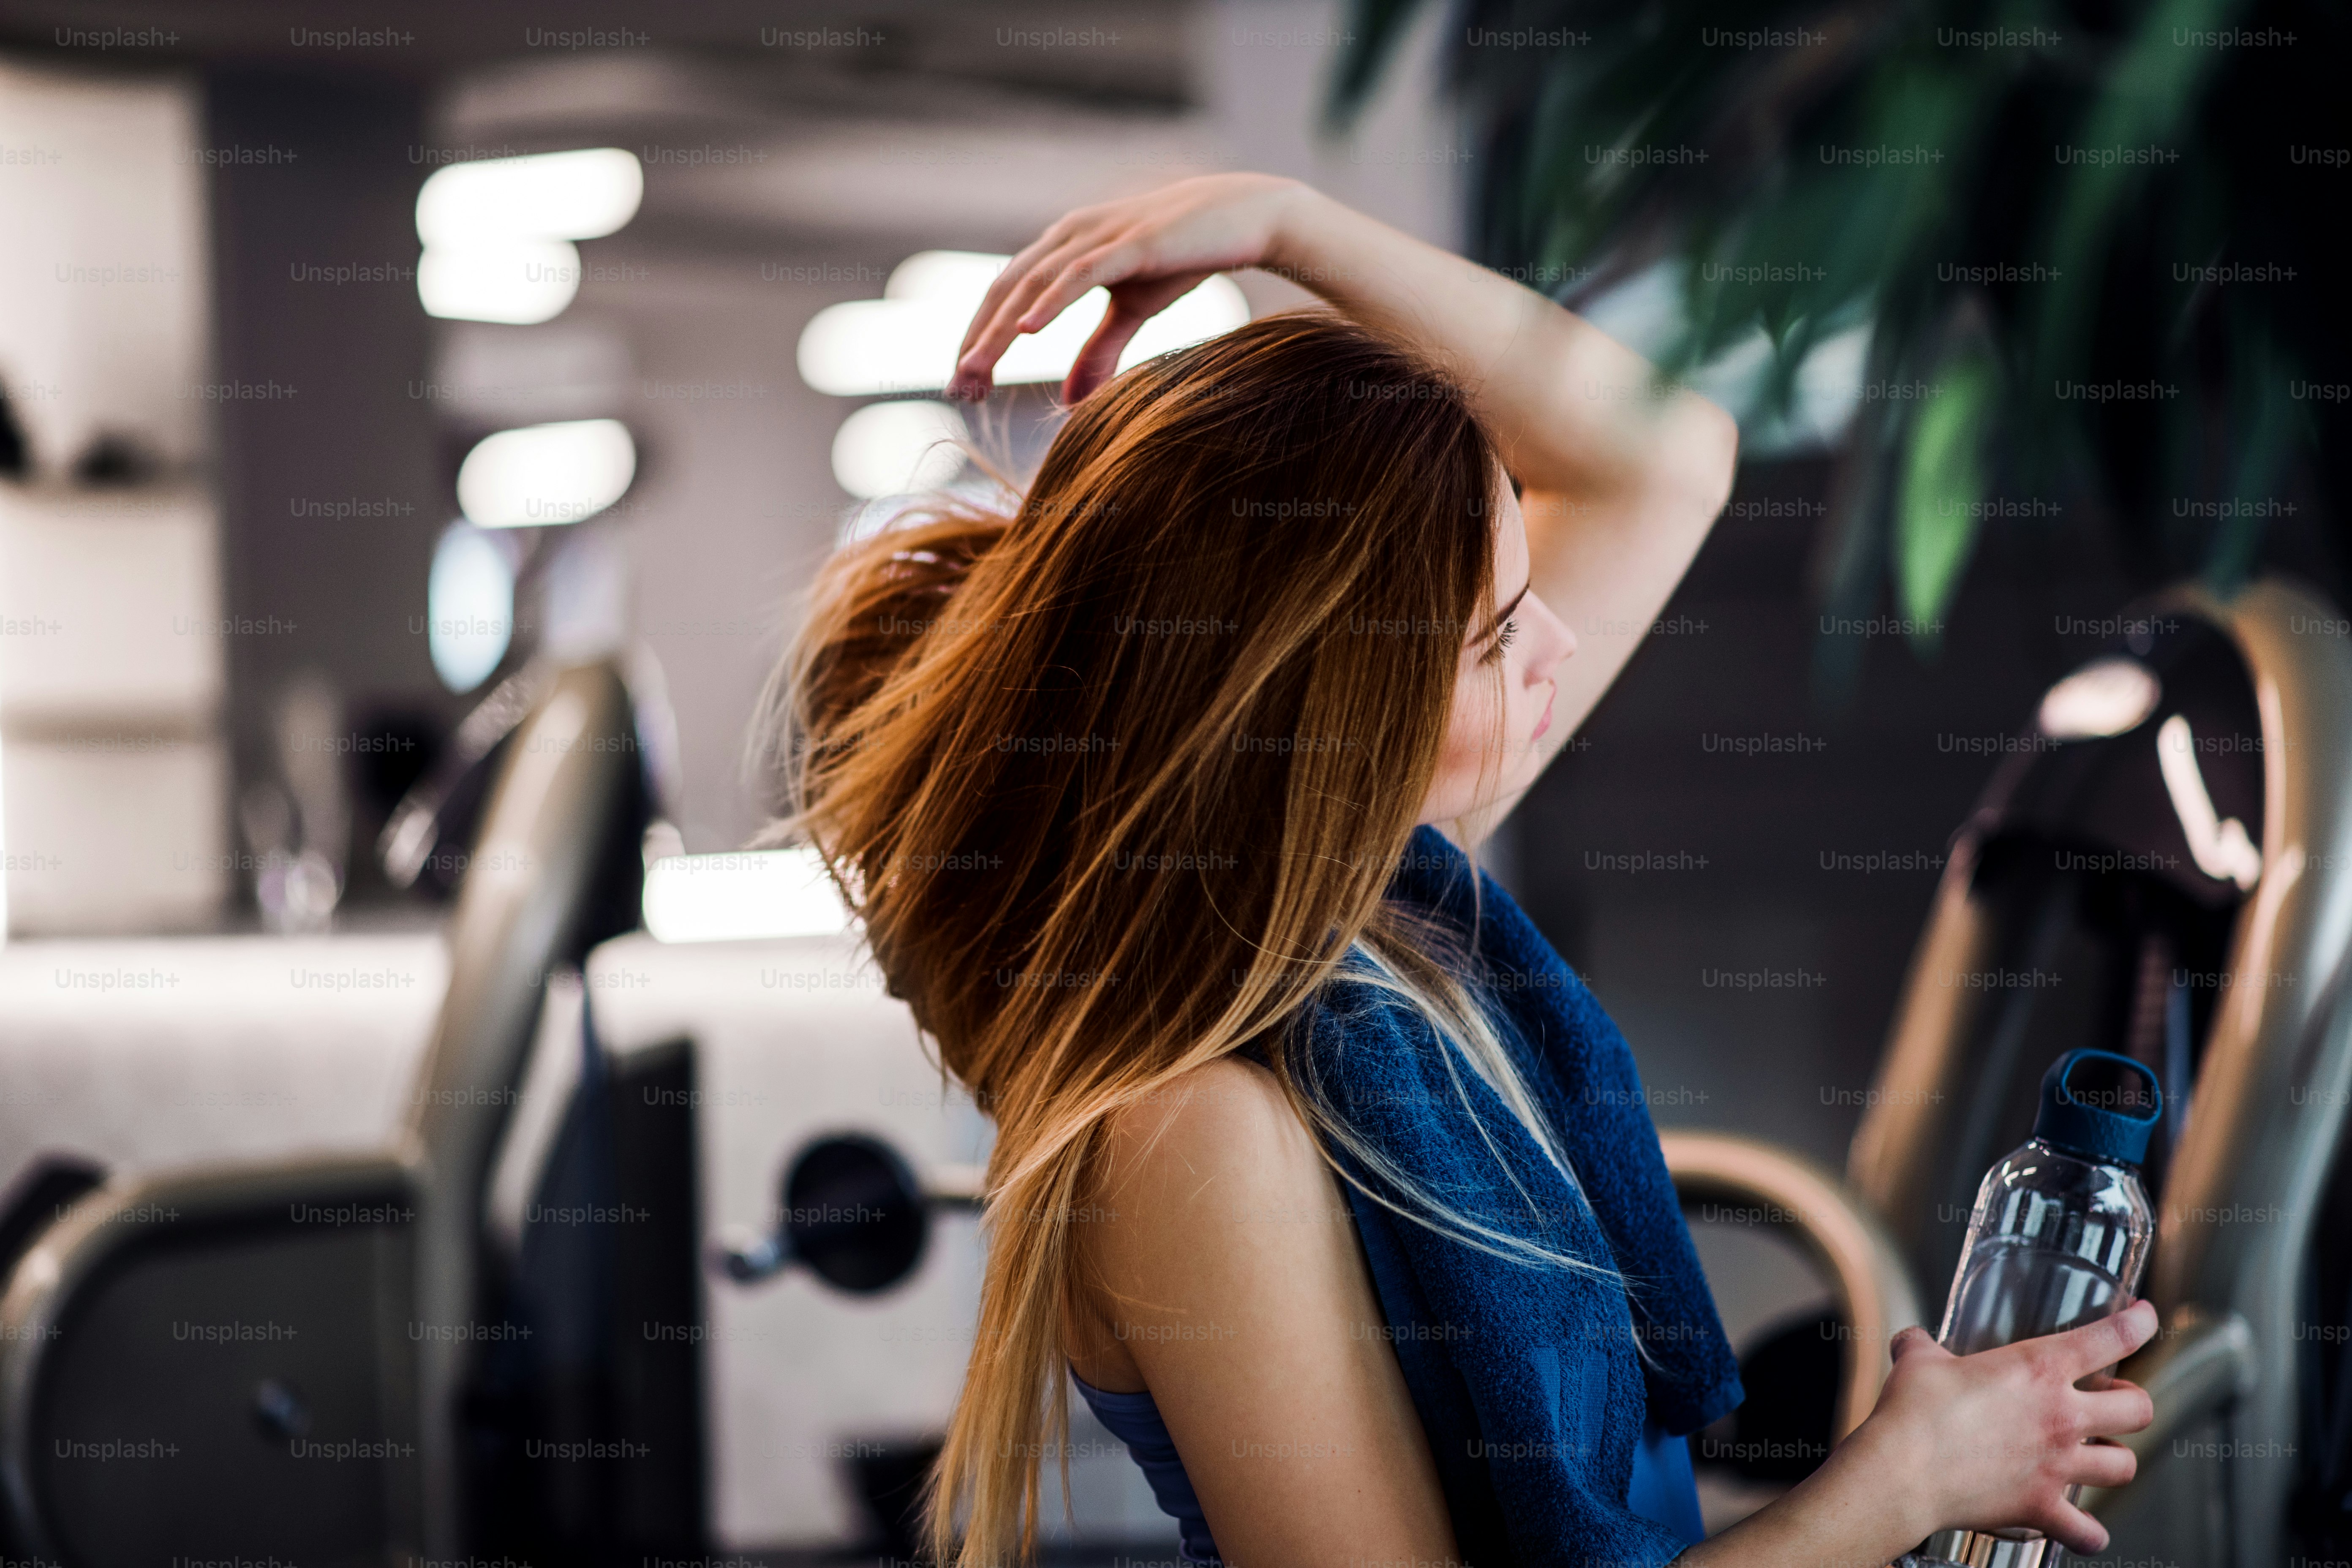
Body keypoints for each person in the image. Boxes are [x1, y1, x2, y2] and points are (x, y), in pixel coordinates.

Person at [762, 173, 2156, 1568]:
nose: (1555, 644)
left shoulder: (1370, 915)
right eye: (1493, 637)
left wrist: (1285, 226)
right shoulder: (1196, 1134)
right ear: (1329, 733)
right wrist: (1901, 1484)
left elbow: (1663, 454)